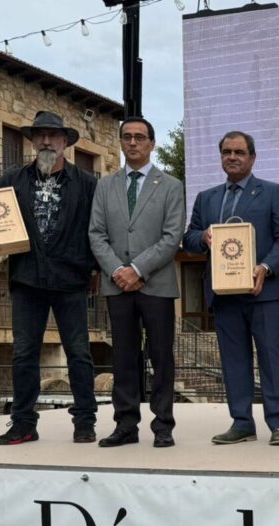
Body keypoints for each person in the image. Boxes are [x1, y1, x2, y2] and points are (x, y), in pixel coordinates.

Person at [0, 110, 98, 446]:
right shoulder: (12, 181)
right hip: (27, 279)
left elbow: (99, 231)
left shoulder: (87, 184)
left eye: (53, 136)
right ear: (31, 140)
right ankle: (24, 423)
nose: (46, 141)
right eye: (39, 135)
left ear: (65, 143)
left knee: (79, 354)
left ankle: (85, 421)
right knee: (24, 354)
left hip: (71, 280)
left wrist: (97, 268)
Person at [184, 131, 279, 446]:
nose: (232, 157)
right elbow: (188, 239)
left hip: (265, 292)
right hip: (224, 294)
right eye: (227, 152)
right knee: (234, 359)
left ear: (252, 157)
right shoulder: (207, 198)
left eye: (239, 152)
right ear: (221, 157)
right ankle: (242, 422)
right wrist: (203, 237)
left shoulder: (273, 193)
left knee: (271, 356)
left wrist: (265, 267)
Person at [88, 117, 185, 449]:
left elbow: (172, 238)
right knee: (123, 358)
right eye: (127, 137)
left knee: (161, 357)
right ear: (120, 142)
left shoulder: (171, 186)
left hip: (155, 285)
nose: (133, 143)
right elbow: (96, 234)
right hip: (117, 286)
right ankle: (126, 424)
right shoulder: (105, 186)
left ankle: (163, 425)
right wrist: (118, 270)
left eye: (140, 137)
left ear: (152, 144)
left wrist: (138, 270)